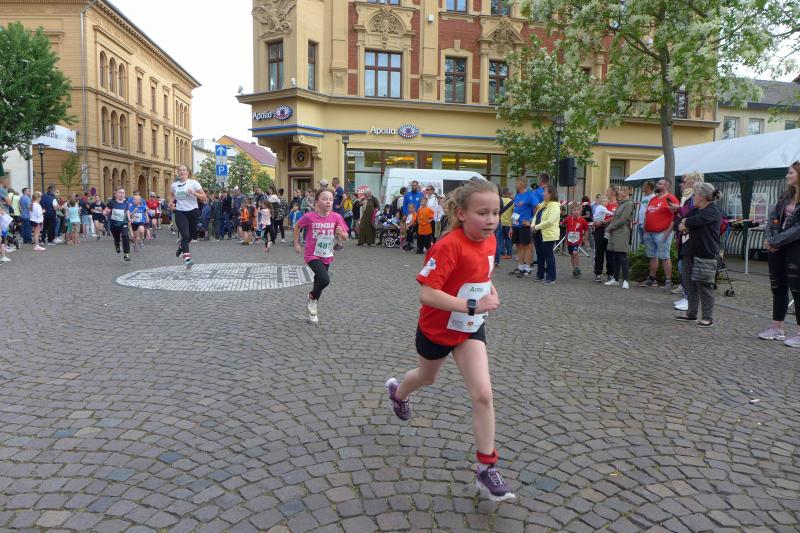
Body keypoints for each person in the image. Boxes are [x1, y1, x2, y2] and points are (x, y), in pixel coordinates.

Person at [384, 178, 515, 503]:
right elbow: (427, 294)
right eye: (482, 213)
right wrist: (472, 304)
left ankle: (486, 467)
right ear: (461, 213)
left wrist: (490, 291)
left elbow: (483, 274)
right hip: (437, 328)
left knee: (483, 394)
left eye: (495, 213)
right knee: (427, 377)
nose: (491, 220)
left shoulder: (491, 240)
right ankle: (398, 393)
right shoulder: (448, 246)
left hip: (469, 328)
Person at [759, 161, 800, 345]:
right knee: (778, 288)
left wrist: (776, 240)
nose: (787, 176)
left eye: (790, 173)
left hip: (795, 250)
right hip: (777, 249)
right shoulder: (785, 196)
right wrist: (769, 239)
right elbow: (773, 217)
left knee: (797, 291)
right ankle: (777, 328)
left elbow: (797, 229)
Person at [293, 189, 348, 324]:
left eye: (331, 199)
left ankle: (313, 304)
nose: (328, 202)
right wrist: (296, 243)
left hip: (327, 254)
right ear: (317, 202)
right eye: (324, 199)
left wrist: (340, 233)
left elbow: (346, 237)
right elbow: (297, 226)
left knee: (319, 281)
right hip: (312, 254)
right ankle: (312, 296)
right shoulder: (310, 217)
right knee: (325, 279)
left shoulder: (336, 217)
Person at [673, 182, 722, 327]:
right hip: (689, 251)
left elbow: (695, 221)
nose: (693, 197)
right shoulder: (695, 210)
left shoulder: (712, 211)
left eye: (695, 194)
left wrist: (685, 223)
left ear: (702, 196)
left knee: (704, 286)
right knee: (689, 284)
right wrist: (683, 223)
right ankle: (691, 313)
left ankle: (707, 317)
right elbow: (678, 222)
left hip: (705, 253)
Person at [672, 173, 705, 311]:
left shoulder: (693, 199)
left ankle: (689, 299)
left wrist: (680, 213)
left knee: (686, 269)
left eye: (684, 181)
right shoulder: (686, 198)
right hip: (683, 236)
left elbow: (689, 215)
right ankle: (686, 296)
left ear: (692, 182)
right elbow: (682, 216)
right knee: (682, 268)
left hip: (691, 239)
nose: (681, 184)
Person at [640, 178, 678, 289]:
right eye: (658, 183)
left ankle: (668, 281)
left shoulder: (671, 198)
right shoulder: (653, 199)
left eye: (660, 184)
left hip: (662, 232)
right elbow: (647, 214)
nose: (657, 185)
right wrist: (645, 229)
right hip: (649, 232)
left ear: (666, 186)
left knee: (665, 257)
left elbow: (675, 216)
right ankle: (652, 279)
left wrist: (668, 231)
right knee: (652, 256)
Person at [170, 165, 207, 268]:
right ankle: (187, 260)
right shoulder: (174, 185)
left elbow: (204, 197)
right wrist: (171, 203)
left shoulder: (194, 183)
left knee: (190, 236)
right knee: (185, 235)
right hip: (180, 212)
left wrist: (194, 193)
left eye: (184, 170)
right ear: (178, 172)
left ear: (187, 172)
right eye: (180, 170)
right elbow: (172, 195)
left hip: (193, 211)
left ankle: (181, 246)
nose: (181, 172)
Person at [604, 186, 635, 289]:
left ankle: (626, 280)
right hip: (615, 232)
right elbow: (615, 218)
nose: (619, 191)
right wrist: (611, 227)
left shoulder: (629, 204)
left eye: (621, 190)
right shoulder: (621, 203)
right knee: (615, 256)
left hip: (622, 232)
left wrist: (610, 227)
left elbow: (623, 219)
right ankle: (615, 279)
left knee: (622, 256)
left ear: (626, 192)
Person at [532, 185, 560, 284]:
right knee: (539, 255)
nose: (543, 193)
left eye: (545, 192)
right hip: (539, 233)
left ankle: (551, 277)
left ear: (550, 194)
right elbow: (536, 216)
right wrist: (533, 225)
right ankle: (540, 275)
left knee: (548, 256)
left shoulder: (555, 205)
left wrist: (535, 227)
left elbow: (550, 221)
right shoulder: (543, 203)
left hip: (548, 234)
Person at [510, 178, 536, 277]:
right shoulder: (517, 195)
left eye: (517, 182)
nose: (515, 184)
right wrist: (511, 225)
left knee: (527, 246)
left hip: (524, 225)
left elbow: (537, 207)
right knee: (519, 246)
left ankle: (528, 268)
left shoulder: (530, 195)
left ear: (522, 184)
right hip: (516, 224)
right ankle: (521, 267)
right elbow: (515, 210)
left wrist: (531, 221)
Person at [593, 187, 617, 282]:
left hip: (610, 230)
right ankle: (598, 273)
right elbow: (595, 216)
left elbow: (617, 216)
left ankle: (610, 273)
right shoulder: (602, 204)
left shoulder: (617, 204)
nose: (606, 193)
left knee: (609, 253)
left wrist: (604, 222)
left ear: (613, 192)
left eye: (608, 191)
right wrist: (595, 222)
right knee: (599, 252)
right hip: (599, 230)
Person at [103, 188, 133, 262]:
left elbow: (127, 211)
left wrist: (129, 218)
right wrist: (105, 212)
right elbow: (106, 210)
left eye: (123, 193)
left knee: (125, 235)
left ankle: (126, 254)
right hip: (114, 225)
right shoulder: (111, 203)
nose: (121, 194)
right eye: (119, 193)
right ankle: (117, 244)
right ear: (116, 194)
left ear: (124, 194)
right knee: (117, 238)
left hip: (123, 223)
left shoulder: (126, 203)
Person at [564, 204, 589, 277]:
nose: (576, 212)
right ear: (571, 211)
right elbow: (562, 224)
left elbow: (586, 229)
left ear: (580, 211)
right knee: (572, 255)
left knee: (575, 253)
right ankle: (574, 269)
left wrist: (585, 239)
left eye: (578, 210)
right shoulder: (568, 218)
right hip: (570, 240)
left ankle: (577, 268)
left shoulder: (582, 220)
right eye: (574, 210)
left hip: (578, 240)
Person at [636, 181, 655, 245]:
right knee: (642, 243)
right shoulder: (644, 197)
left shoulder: (653, 197)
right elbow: (643, 209)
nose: (643, 187)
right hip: (640, 223)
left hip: (646, 224)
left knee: (648, 244)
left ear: (648, 187)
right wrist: (638, 221)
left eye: (644, 186)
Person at [497, 188, 513, 261]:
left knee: (500, 239)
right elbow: (514, 212)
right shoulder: (511, 201)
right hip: (508, 223)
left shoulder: (498, 200)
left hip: (500, 222)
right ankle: (509, 254)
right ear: (507, 193)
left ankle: (502, 253)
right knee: (508, 239)